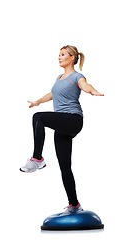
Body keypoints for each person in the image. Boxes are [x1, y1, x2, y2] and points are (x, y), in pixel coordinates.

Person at [20, 45, 104, 215]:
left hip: (73, 119)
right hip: (62, 124)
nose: (59, 57)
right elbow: (52, 94)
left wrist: (93, 91)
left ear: (72, 57)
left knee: (39, 118)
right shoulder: (59, 78)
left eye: (63, 54)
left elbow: (85, 85)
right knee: (65, 167)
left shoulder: (76, 76)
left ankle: (37, 159)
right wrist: (37, 101)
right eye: (58, 55)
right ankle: (74, 204)